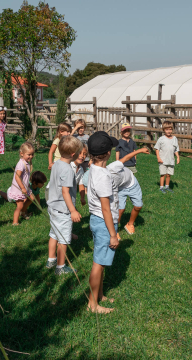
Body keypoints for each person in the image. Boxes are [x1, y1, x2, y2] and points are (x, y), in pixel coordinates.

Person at [86, 131, 120, 314]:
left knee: (101, 261)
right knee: (98, 263)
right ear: (107, 153)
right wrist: (113, 235)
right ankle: (93, 304)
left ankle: (99, 295)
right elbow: (106, 208)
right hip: (104, 222)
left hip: (97, 220)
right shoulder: (103, 177)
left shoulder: (94, 169)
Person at [46, 136, 83, 275]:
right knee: (63, 240)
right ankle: (60, 268)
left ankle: (51, 260)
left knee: (53, 234)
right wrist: (72, 210)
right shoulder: (67, 169)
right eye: (79, 152)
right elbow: (65, 192)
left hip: (53, 207)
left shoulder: (56, 164)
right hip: (63, 210)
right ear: (73, 154)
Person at [107, 147, 150, 236]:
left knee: (138, 206)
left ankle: (130, 224)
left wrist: (140, 150)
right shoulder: (107, 185)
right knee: (120, 209)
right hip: (120, 189)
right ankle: (114, 231)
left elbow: (126, 158)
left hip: (132, 183)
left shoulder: (112, 167)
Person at [6, 142, 36, 226]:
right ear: (21, 154)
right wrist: (23, 187)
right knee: (19, 205)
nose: (31, 156)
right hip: (19, 188)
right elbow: (17, 177)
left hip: (24, 187)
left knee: (32, 198)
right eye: (29, 154)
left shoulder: (26, 162)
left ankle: (23, 211)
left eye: (32, 154)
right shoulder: (21, 164)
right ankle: (15, 222)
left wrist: (27, 184)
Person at [154, 121, 180, 193]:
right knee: (163, 174)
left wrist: (177, 157)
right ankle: (161, 187)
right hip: (163, 160)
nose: (169, 131)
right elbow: (157, 149)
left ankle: (167, 187)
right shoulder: (161, 139)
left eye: (170, 129)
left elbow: (176, 149)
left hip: (171, 160)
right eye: (167, 129)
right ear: (163, 130)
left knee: (168, 175)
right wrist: (158, 158)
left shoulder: (174, 138)